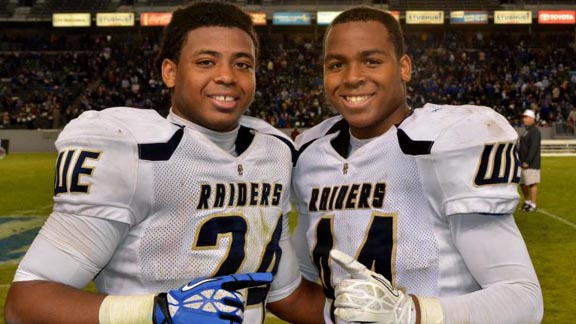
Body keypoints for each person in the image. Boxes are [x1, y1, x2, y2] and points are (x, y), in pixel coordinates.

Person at [4, 2, 324, 324]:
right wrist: (156, 312)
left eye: (242, 64)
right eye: (206, 61)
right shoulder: (131, 149)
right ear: (170, 72)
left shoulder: (275, 152)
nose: (226, 76)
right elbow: (26, 302)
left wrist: (350, 311)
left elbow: (285, 293)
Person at [291, 6, 543, 324]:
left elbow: (523, 298)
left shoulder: (445, 142)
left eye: (371, 61)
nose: (352, 77)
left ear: (404, 68)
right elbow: (294, 281)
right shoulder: (310, 154)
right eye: (337, 64)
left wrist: (410, 312)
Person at [519, 109, 542, 212]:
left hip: (531, 163)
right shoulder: (526, 131)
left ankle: (533, 204)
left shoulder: (535, 131)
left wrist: (527, 161)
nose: (524, 119)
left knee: (532, 183)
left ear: (532, 119)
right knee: (523, 183)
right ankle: (527, 201)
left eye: (526, 117)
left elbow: (534, 147)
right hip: (522, 162)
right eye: (523, 117)